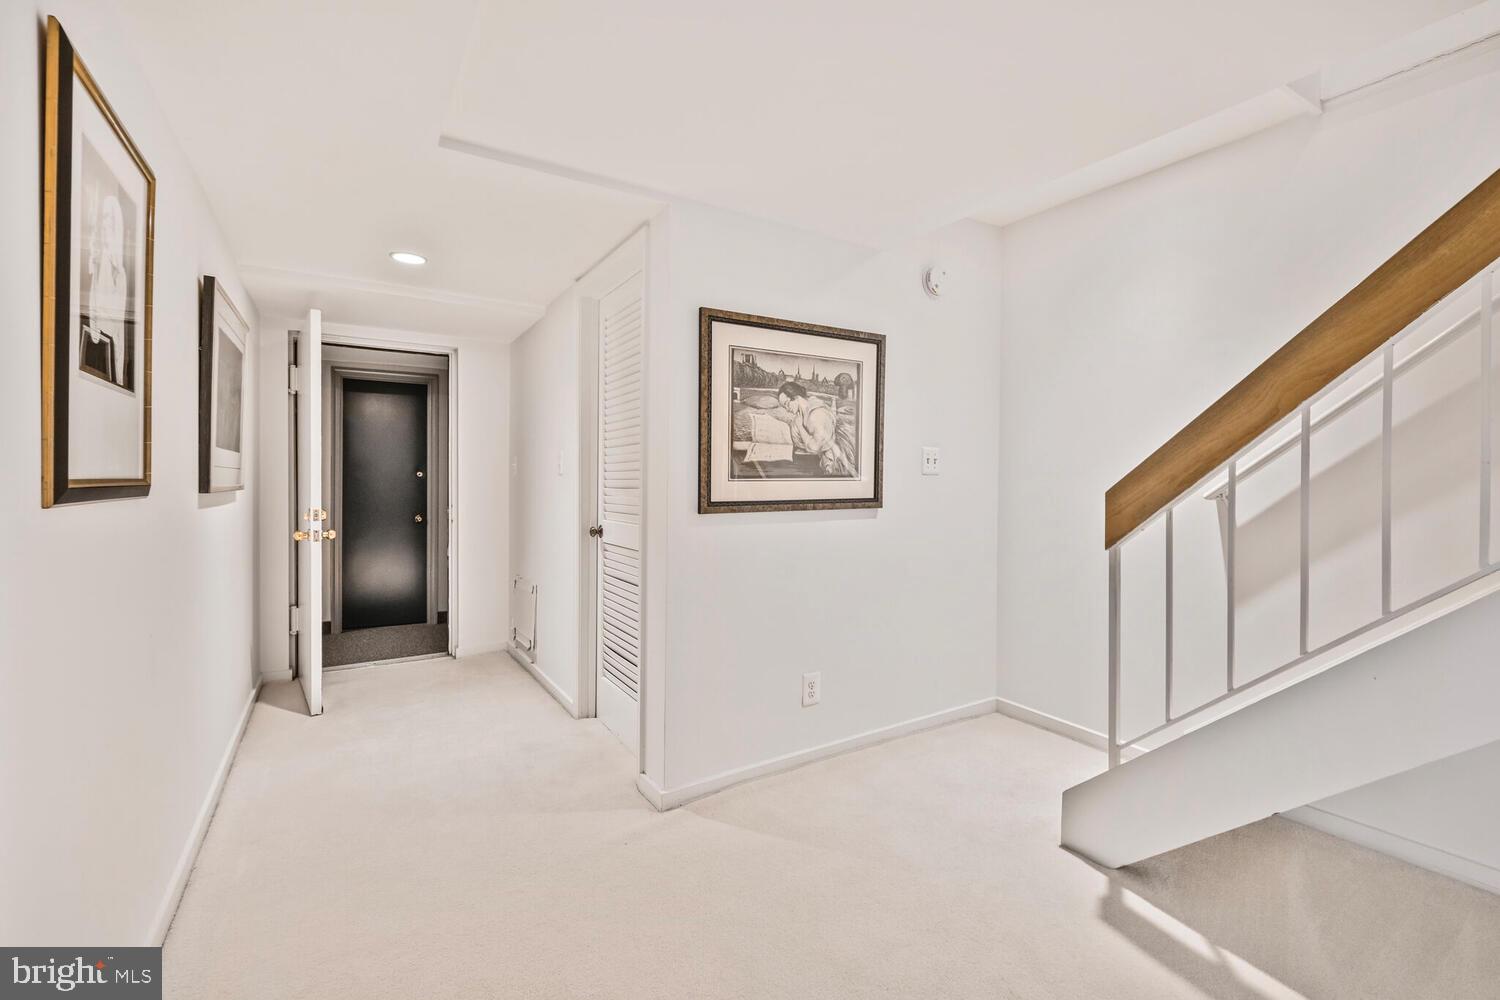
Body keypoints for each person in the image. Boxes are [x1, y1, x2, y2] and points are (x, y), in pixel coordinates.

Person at [777, 381, 857, 477]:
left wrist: (799, 427)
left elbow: (814, 448)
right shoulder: (800, 414)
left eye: (786, 404)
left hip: (832, 463)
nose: (786, 409)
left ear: (796, 397)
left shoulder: (817, 414)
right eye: (784, 406)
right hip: (810, 460)